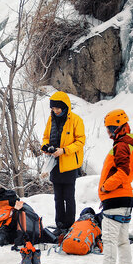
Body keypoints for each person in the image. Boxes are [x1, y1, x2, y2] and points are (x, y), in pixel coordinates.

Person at [89, 109, 133, 264]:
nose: (108, 132)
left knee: (109, 239)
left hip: (115, 198)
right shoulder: (128, 144)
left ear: (117, 127)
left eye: (110, 128)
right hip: (125, 199)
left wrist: (105, 187)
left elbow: (123, 172)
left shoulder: (121, 146)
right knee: (122, 239)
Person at [41, 91, 86, 236]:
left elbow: (80, 142)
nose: (55, 111)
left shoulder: (76, 120)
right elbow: (46, 137)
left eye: (58, 108)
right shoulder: (51, 119)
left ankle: (70, 225)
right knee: (58, 197)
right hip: (55, 164)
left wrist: (64, 150)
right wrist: (46, 147)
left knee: (69, 197)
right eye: (53, 108)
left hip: (69, 165)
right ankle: (59, 225)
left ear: (65, 106)